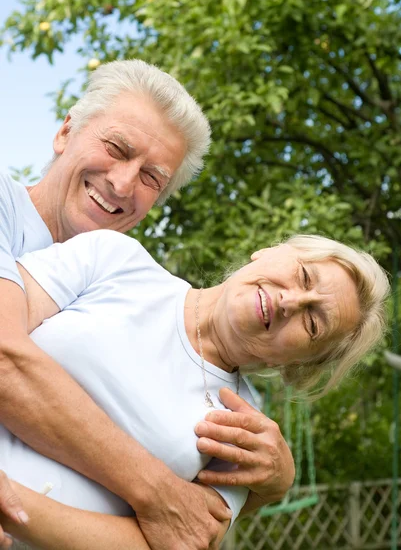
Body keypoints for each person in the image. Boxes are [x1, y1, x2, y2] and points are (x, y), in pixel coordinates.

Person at [0, 60, 295, 550]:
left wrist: (273, 484)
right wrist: (156, 493)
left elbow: (195, 533)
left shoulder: (125, 291)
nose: (121, 183)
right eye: (116, 148)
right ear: (65, 131)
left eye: (152, 177)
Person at [0, 230, 389, 550]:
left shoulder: (249, 435)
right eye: (305, 276)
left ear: (302, 363)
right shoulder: (114, 258)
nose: (290, 301)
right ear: (269, 251)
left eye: (313, 323)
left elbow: (177, 544)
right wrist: (154, 487)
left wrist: (14, 508)